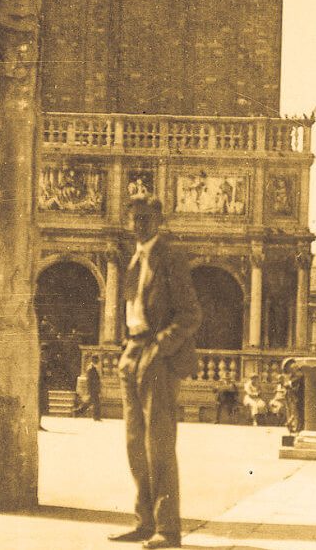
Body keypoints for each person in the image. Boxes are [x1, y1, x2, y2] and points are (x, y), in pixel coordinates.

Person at [108, 195, 201, 550]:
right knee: (135, 443)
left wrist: (160, 347)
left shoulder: (170, 256)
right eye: (134, 218)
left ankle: (168, 529)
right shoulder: (134, 257)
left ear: (158, 220)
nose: (139, 224)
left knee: (158, 444)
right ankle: (143, 522)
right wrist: (126, 348)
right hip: (132, 350)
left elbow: (191, 314)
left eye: (146, 218)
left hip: (156, 355)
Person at [76, 356, 102, 420]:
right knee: (96, 402)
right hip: (93, 388)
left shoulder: (94, 367)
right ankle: (96, 417)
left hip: (94, 388)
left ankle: (77, 411)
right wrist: (89, 389)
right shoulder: (90, 368)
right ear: (94, 360)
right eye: (97, 360)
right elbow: (89, 380)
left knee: (90, 402)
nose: (98, 361)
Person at [283, 358, 304, 434]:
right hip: (293, 396)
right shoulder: (293, 375)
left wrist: (289, 383)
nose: (290, 370)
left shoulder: (299, 374)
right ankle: (293, 425)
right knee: (293, 411)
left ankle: (297, 427)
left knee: (297, 412)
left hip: (298, 396)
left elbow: (295, 381)